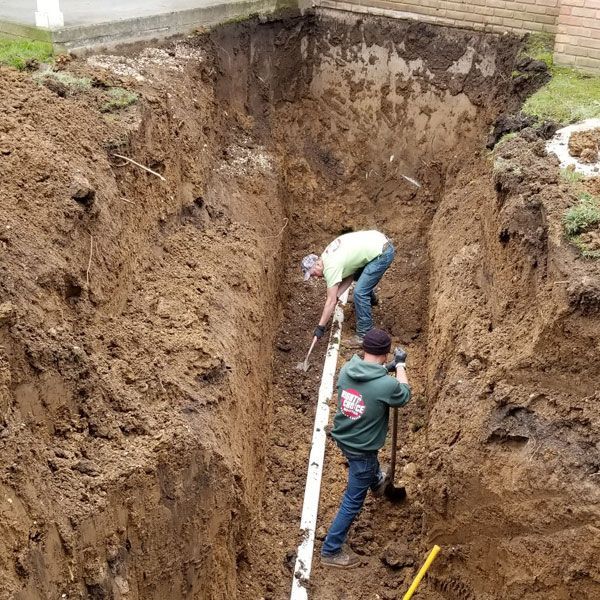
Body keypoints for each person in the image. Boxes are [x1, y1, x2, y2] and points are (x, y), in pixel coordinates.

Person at [321, 328, 411, 569]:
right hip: (362, 448)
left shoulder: (348, 368)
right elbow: (403, 394)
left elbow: (372, 376)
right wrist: (400, 366)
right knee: (352, 500)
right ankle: (331, 549)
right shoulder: (385, 386)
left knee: (368, 468)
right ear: (385, 353)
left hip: (346, 438)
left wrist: (386, 367)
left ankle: (377, 482)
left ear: (365, 350)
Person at [301, 230, 395, 348]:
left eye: (313, 274)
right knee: (358, 279)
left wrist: (320, 327)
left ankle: (364, 335)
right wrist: (337, 295)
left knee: (359, 293)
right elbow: (350, 274)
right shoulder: (326, 256)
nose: (316, 278)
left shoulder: (330, 267)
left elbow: (330, 302)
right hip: (379, 241)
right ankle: (371, 300)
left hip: (382, 253)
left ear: (317, 265)